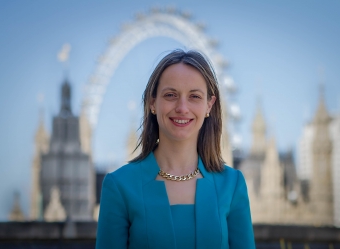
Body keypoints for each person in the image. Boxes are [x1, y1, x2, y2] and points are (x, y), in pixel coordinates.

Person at [96, 49, 255, 249]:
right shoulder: (120, 186)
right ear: (152, 102)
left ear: (209, 105)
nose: (182, 107)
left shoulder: (231, 185)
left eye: (194, 96)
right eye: (171, 95)